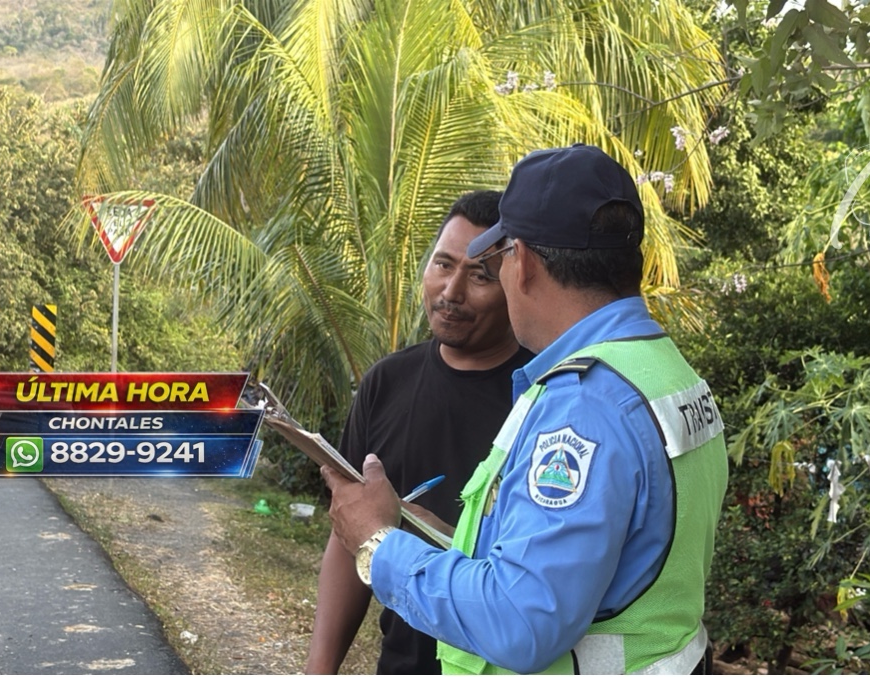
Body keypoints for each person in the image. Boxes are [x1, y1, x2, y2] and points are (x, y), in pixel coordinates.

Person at [322, 144, 729, 675]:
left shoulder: (584, 404)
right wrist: (444, 539)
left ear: (524, 263)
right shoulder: (664, 370)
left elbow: (521, 622)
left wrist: (379, 545)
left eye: (493, 265)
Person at [305, 190, 534, 675]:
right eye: (443, 265)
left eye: (480, 276)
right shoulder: (386, 383)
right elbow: (349, 537)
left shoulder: (544, 395)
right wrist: (319, 669)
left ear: (516, 281)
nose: (451, 291)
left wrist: (439, 540)